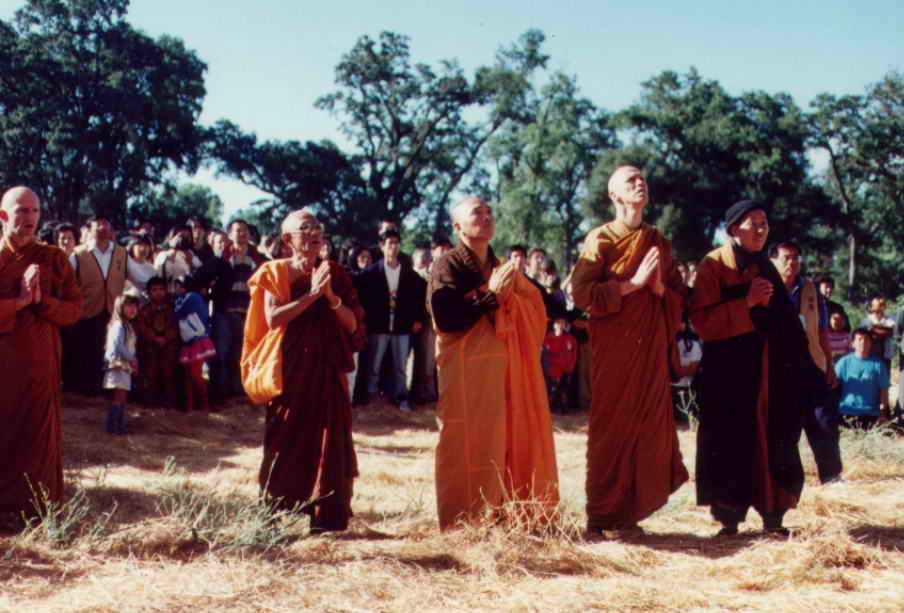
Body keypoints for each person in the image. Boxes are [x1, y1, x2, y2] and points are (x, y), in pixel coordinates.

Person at [570, 165, 688, 538]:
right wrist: (633, 285)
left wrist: (657, 290)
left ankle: (629, 515)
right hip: (615, 348)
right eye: (630, 180)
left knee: (646, 427)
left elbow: (678, 296)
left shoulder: (658, 241)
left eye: (642, 179)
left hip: (649, 348)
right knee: (613, 427)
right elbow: (581, 294)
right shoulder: (601, 239)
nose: (639, 184)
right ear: (614, 195)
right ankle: (602, 516)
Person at [690, 201, 820, 536]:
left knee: (773, 438)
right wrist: (745, 303)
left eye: (765, 222)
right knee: (729, 441)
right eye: (754, 222)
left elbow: (786, 321)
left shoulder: (766, 266)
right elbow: (702, 321)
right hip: (728, 374)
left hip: (767, 373)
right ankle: (729, 521)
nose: (762, 229)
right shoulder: (713, 265)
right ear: (734, 229)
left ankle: (774, 517)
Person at [428, 197, 558, 531]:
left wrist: (508, 297)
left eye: (489, 213)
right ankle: (464, 520)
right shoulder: (447, 265)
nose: (486, 217)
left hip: (502, 370)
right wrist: (492, 297)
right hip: (466, 372)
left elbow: (535, 306)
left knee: (503, 439)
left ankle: (503, 514)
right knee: (466, 439)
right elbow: (445, 317)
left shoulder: (501, 267)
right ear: (458, 226)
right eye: (477, 213)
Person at [243, 209, 365, 532]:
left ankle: (324, 518)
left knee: (329, 441)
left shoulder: (334, 273)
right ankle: (273, 514)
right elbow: (273, 318)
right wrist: (312, 295)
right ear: (288, 239)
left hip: (326, 372)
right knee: (285, 439)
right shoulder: (275, 271)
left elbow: (353, 326)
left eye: (317, 228)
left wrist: (331, 297)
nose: (313, 234)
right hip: (290, 372)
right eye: (305, 228)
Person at [0, 186, 82, 519]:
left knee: (36, 436)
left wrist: (41, 302)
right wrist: (18, 302)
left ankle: (35, 510)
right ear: (3, 215)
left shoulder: (53, 258)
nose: (30, 218)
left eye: (35, 211)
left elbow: (74, 310)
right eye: (22, 210)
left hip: (38, 363)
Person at [770, 241, 843, 485]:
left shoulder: (811, 289)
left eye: (796, 258)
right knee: (785, 428)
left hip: (811, 363)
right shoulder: (765, 287)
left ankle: (831, 476)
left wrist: (829, 365)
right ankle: (785, 484)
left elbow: (822, 331)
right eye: (786, 258)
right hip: (779, 368)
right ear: (773, 261)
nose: (792, 263)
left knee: (824, 421)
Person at [68, 215, 147, 396]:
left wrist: (156, 288)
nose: (102, 228)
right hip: (86, 312)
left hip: (113, 313)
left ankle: (106, 393)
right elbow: (65, 280)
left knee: (111, 352)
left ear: (111, 230)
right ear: (90, 228)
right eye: (98, 224)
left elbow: (139, 278)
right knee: (87, 352)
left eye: (106, 224)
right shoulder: (78, 254)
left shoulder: (121, 253)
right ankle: (86, 393)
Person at [195, 219, 266, 406]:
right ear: (230, 235)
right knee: (222, 352)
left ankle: (239, 392)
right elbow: (201, 276)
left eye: (245, 230)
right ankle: (219, 395)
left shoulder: (258, 258)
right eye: (237, 230)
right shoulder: (222, 257)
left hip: (249, 312)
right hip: (225, 311)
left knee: (242, 353)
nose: (242, 234)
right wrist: (205, 291)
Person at [357, 230, 426, 412]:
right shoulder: (371, 272)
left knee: (401, 366)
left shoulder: (408, 273)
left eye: (396, 243)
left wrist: (418, 318)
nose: (394, 247)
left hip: (402, 326)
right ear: (382, 246)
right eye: (390, 243)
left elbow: (421, 295)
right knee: (374, 364)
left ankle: (401, 397)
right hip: (378, 325)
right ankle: (371, 396)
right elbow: (361, 297)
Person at [172, 275, 216, 412]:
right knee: (188, 376)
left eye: (177, 286)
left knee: (197, 375)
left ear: (184, 286)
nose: (174, 289)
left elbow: (176, 314)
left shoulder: (192, 297)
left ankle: (204, 404)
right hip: (188, 343)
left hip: (198, 341)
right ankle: (190, 406)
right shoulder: (180, 299)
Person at [135, 276, 180, 408]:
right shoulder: (144, 310)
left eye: (161, 289)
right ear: (148, 293)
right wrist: (154, 338)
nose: (158, 293)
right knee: (151, 374)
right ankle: (151, 402)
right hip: (150, 347)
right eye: (154, 290)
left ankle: (170, 403)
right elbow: (142, 328)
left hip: (169, 346)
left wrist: (166, 338)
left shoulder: (173, 309)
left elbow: (176, 327)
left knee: (169, 373)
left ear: (166, 291)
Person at [836, 328, 891, 429]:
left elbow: (884, 391)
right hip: (846, 412)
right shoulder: (844, 362)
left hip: (870, 414)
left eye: (866, 339)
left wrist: (883, 414)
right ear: (852, 343)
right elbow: (834, 386)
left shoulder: (879, 365)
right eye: (859, 339)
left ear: (871, 343)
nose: (863, 342)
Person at [103, 294, 140, 434]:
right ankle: (114, 426)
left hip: (124, 365)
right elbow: (119, 346)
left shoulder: (127, 326)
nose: (133, 309)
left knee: (122, 395)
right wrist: (132, 359)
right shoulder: (119, 325)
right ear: (120, 307)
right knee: (119, 396)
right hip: (118, 364)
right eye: (129, 306)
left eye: (135, 306)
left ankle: (119, 425)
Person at [670, 316, 702, 425]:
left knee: (685, 423)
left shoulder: (694, 344)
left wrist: (677, 372)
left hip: (686, 390)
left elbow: (694, 369)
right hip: (670, 389)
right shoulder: (670, 342)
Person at [543, 316, 577, 414]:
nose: (561, 325)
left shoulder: (570, 338)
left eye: (563, 323)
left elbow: (574, 353)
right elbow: (547, 352)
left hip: (567, 368)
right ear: (554, 325)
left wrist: (571, 365)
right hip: (554, 368)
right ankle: (552, 408)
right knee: (553, 389)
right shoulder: (549, 337)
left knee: (564, 390)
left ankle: (564, 408)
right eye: (558, 323)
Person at [859, 296, 896, 372]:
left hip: (885, 355)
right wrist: (884, 331)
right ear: (872, 306)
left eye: (883, 304)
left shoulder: (890, 320)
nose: (882, 307)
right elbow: (866, 334)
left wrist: (873, 329)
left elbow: (892, 331)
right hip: (869, 354)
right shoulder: (866, 321)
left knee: (884, 376)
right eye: (879, 304)